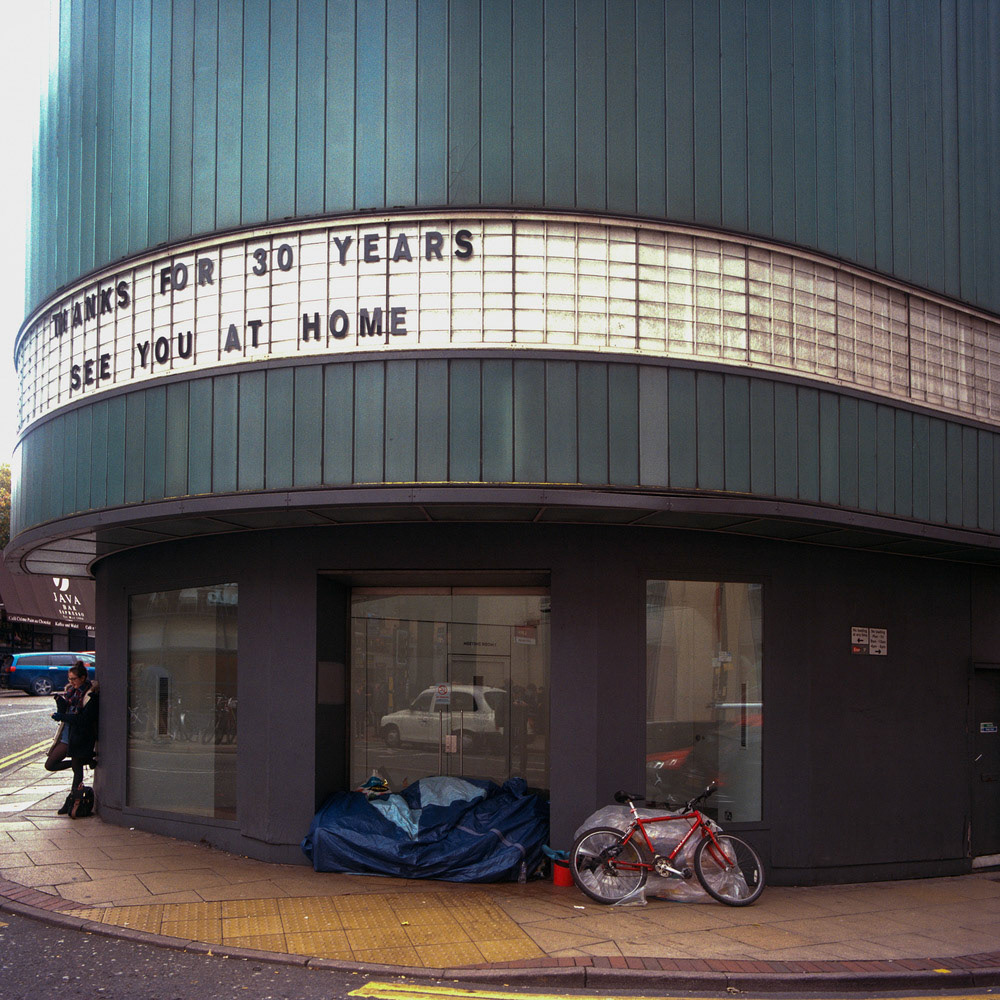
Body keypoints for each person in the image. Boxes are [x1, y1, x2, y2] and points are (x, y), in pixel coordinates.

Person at [45, 661, 99, 814]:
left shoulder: (90, 695)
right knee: (50, 764)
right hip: (67, 735)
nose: (71, 682)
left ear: (83, 678)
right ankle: (85, 761)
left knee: (77, 773)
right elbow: (66, 713)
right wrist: (59, 702)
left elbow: (84, 720)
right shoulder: (71, 692)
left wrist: (61, 716)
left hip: (80, 737)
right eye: (69, 679)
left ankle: (71, 803)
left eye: (74, 679)